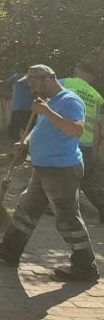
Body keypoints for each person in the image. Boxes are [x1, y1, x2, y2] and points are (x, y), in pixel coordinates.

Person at [0, 64, 98, 282]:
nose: (31, 89)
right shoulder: (50, 103)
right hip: (44, 167)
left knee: (67, 218)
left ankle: (85, 268)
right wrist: (24, 142)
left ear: (47, 79)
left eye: (33, 83)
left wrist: (47, 112)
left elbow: (77, 130)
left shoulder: (69, 100)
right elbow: (40, 128)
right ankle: (10, 250)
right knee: (27, 208)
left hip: (62, 169)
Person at [61, 59, 104, 222]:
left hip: (65, 138)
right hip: (85, 143)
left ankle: (59, 207)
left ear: (77, 69)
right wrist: (94, 148)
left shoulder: (64, 82)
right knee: (88, 180)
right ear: (93, 77)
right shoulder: (97, 96)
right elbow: (97, 126)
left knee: (56, 173)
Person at [3, 65, 35, 141]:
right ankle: (27, 147)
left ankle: (15, 147)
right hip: (29, 109)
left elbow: (5, 84)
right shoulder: (32, 79)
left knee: (15, 130)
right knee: (29, 130)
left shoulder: (16, 77)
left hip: (17, 108)